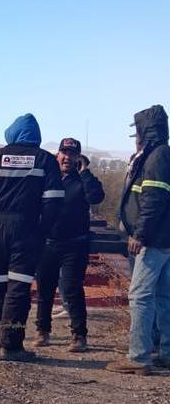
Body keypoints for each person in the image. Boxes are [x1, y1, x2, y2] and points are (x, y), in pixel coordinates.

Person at [0, 113, 64, 361]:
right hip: (26, 230)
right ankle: (11, 346)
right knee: (17, 288)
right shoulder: (46, 160)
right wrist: (40, 230)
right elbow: (54, 201)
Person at [107, 105, 170, 375]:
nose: (136, 138)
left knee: (141, 296)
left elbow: (154, 200)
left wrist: (139, 234)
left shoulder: (156, 157)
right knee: (162, 297)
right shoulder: (158, 155)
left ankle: (139, 357)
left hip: (152, 240)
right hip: (163, 239)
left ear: (146, 131)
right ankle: (165, 352)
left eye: (138, 132)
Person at [34, 138, 104, 352]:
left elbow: (96, 197)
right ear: (57, 155)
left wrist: (85, 172)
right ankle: (42, 331)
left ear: (78, 158)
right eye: (64, 153)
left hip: (75, 244)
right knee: (45, 289)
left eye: (72, 154)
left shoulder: (83, 179)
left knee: (72, 289)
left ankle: (79, 335)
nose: (67, 157)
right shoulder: (47, 177)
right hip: (48, 242)